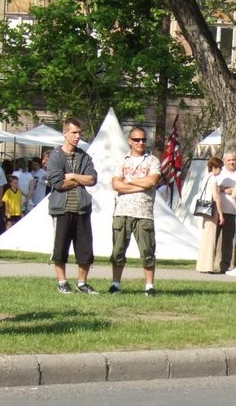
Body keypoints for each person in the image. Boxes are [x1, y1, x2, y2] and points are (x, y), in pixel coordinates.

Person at [45, 116, 98, 293]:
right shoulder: (55, 156)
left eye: (79, 133)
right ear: (65, 133)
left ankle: (82, 283)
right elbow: (58, 182)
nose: (77, 136)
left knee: (85, 249)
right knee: (60, 247)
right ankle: (62, 282)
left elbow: (92, 179)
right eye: (74, 133)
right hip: (62, 209)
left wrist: (73, 176)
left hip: (82, 209)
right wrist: (80, 180)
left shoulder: (84, 156)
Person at [110, 126, 162, 295]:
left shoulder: (152, 161)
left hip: (144, 212)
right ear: (130, 141)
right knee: (118, 250)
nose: (141, 143)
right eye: (137, 140)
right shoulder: (122, 160)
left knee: (147, 251)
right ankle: (115, 284)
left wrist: (129, 180)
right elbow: (116, 184)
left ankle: (149, 286)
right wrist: (140, 184)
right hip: (122, 211)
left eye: (143, 140)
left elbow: (152, 181)